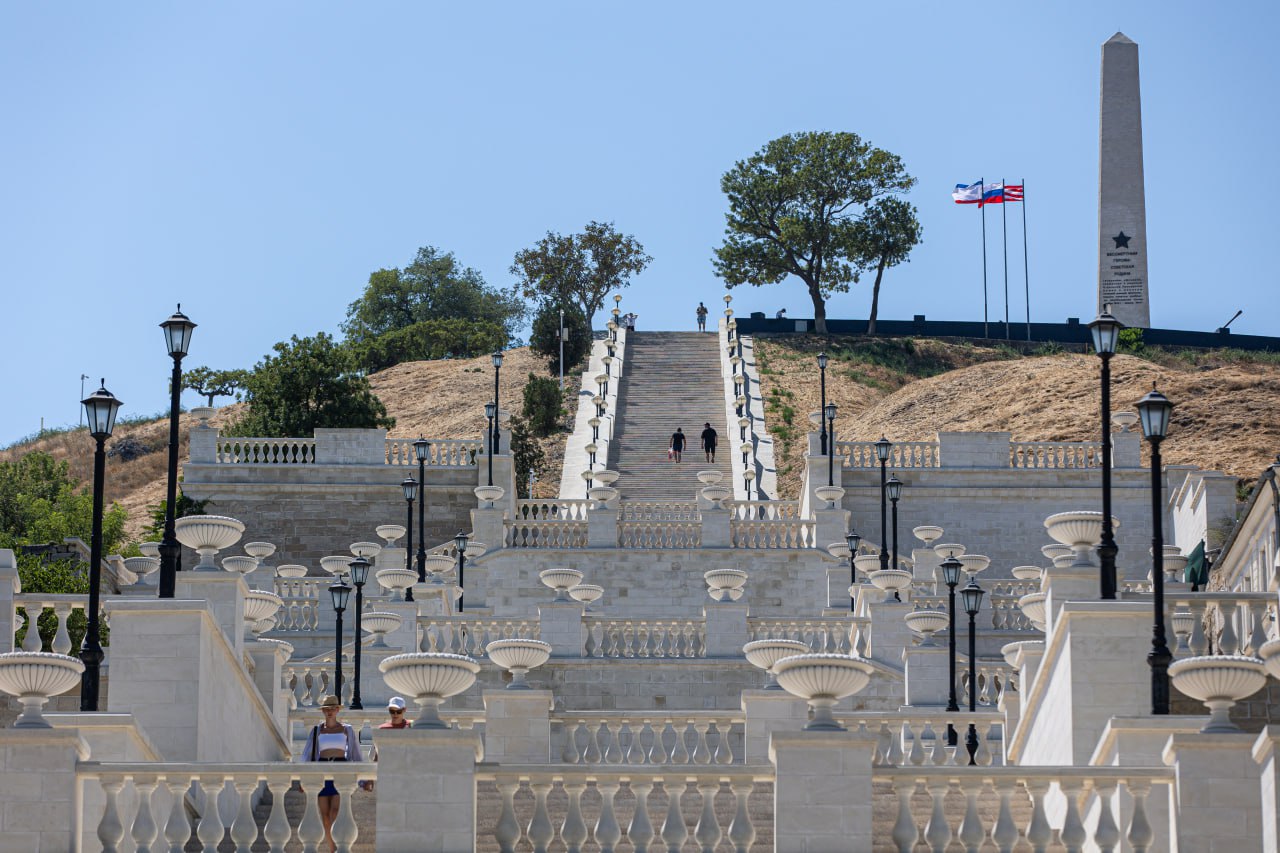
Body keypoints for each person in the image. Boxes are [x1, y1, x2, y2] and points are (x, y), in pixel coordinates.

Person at [301, 695, 364, 853]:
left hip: (340, 771)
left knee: (335, 811)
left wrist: (363, 779)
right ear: (323, 711)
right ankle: (332, 849)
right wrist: (303, 779)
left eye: (332, 708)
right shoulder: (316, 730)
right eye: (326, 709)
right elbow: (306, 755)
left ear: (337, 710)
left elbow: (356, 754)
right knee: (325, 815)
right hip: (322, 772)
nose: (330, 711)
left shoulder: (346, 729)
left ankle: (337, 847)